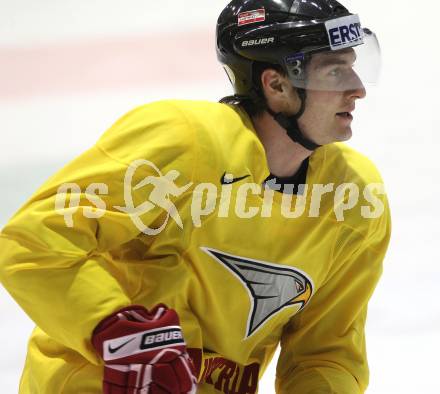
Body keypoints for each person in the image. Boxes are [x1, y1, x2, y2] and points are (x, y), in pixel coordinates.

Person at [0, 0, 391, 393]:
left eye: (355, 66)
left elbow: (324, 353)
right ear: (276, 85)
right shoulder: (183, 142)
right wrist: (113, 328)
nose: (356, 89)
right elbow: (35, 241)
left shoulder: (353, 198)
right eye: (335, 71)